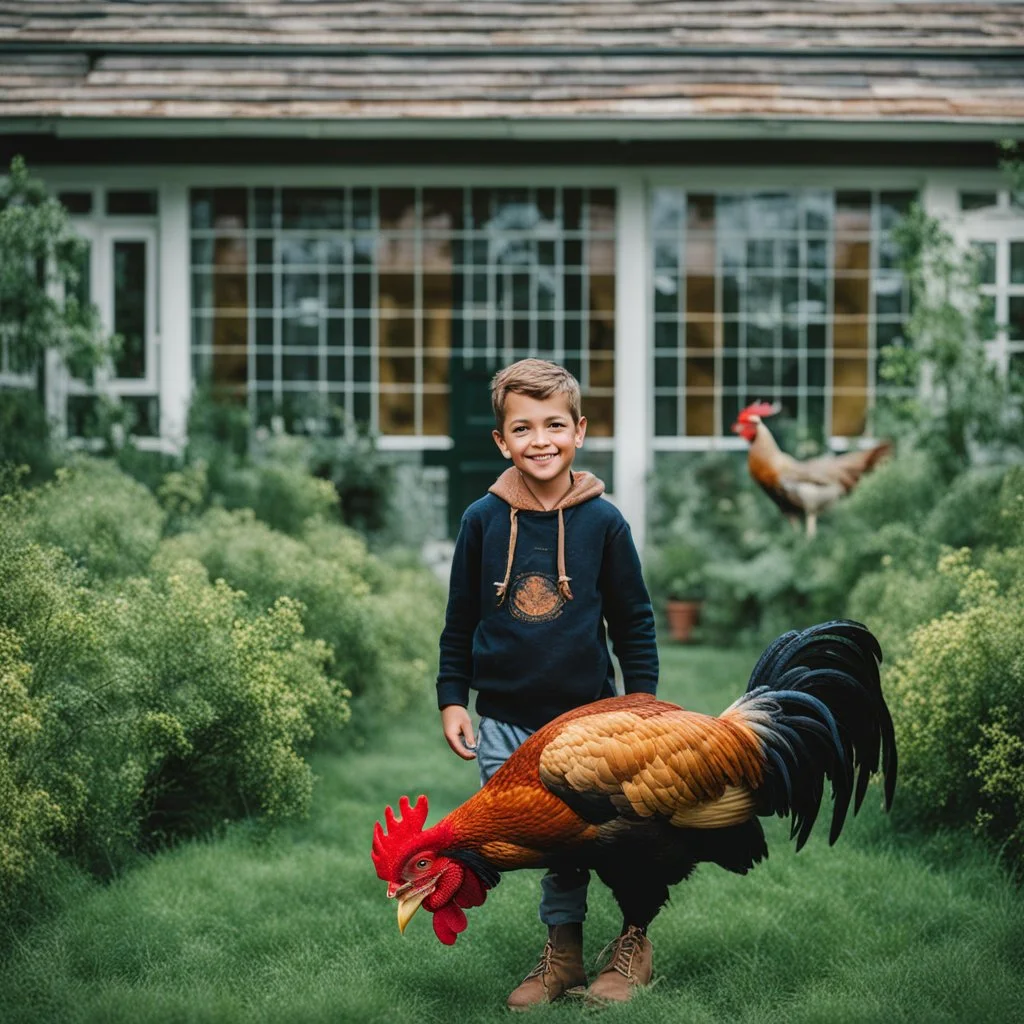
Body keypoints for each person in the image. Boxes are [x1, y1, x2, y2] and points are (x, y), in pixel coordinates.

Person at [436, 358, 659, 1008]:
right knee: (546, 841)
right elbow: (459, 620)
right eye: (524, 428)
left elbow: (635, 621)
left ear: (580, 430)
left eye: (554, 424)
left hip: (590, 723)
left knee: (618, 838)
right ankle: (562, 953)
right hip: (505, 722)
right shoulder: (481, 520)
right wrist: (453, 697)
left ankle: (633, 941)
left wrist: (641, 703)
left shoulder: (604, 523)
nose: (541, 440)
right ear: (502, 441)